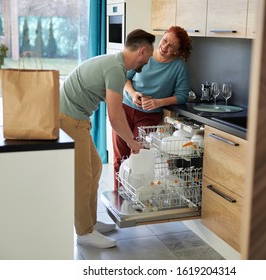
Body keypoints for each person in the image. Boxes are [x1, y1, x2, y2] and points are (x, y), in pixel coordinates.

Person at [60, 29, 155, 248]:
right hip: (68, 118)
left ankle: (90, 223)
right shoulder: (116, 70)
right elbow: (115, 116)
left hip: (76, 117)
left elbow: (115, 108)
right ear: (142, 51)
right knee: (83, 176)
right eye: (149, 55)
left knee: (94, 168)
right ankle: (84, 232)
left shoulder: (116, 64)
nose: (148, 61)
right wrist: (132, 142)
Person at [112, 26, 193, 190]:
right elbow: (124, 77)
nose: (165, 47)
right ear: (162, 37)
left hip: (148, 117)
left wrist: (158, 102)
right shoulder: (145, 55)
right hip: (125, 109)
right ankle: (118, 197)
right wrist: (133, 93)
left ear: (178, 51)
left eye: (172, 46)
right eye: (165, 40)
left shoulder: (178, 67)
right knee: (120, 156)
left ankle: (137, 199)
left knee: (139, 158)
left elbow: (182, 95)